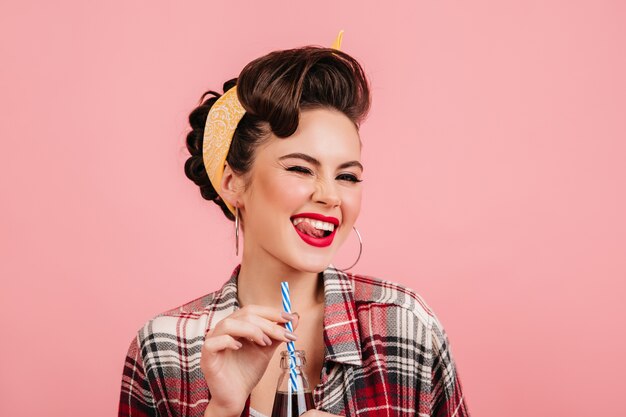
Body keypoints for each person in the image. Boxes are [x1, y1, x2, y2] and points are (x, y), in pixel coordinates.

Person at [118, 32, 470, 417]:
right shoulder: (165, 350)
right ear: (233, 183)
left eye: (347, 176)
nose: (330, 196)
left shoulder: (405, 326)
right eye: (301, 168)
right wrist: (222, 409)